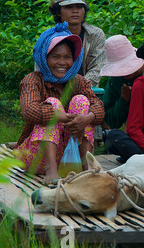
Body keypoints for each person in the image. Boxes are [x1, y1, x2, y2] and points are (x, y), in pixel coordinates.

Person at [16, 22, 105, 185]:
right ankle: (51, 170)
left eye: (67, 57)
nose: (62, 62)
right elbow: (30, 111)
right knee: (52, 104)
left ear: (74, 59)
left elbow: (98, 106)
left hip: (70, 157)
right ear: (45, 57)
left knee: (82, 102)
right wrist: (65, 117)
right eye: (55, 57)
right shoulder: (33, 80)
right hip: (37, 158)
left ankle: (87, 169)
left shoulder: (78, 81)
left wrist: (86, 118)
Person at [45, 0, 106, 87]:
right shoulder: (49, 37)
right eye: (69, 7)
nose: (75, 11)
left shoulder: (95, 35)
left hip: (87, 91)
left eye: (79, 7)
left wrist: (76, 89)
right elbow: (42, 69)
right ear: (58, 11)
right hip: (54, 90)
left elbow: (97, 69)